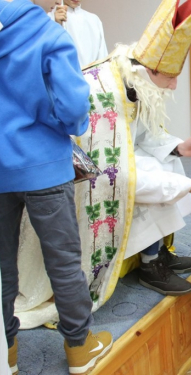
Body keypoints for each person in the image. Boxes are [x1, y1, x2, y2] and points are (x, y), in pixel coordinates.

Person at [13, 0, 191, 330]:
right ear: (151, 71)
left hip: (112, 162)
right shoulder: (100, 94)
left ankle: (156, 252)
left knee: (171, 163)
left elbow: (141, 130)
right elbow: (117, 177)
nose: (175, 85)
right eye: (171, 77)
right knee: (160, 177)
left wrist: (178, 146)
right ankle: (149, 264)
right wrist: (189, 186)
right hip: (81, 179)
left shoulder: (130, 77)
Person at [0, 0, 112, 374]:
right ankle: (80, 348)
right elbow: (73, 104)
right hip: (45, 165)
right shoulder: (45, 32)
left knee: (2, 267)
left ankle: (7, 352)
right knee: (63, 262)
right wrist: (59, 122)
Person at [52, 0, 108, 67]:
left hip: (91, 76)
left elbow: (103, 60)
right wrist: (56, 25)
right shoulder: (50, 17)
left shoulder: (94, 20)